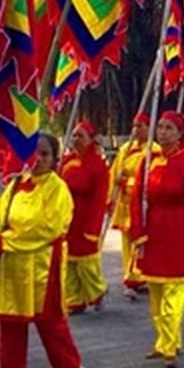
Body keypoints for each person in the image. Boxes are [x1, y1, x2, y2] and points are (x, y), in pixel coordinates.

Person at [0, 133, 82, 368]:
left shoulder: (58, 189)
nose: (39, 159)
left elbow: (46, 228)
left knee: (53, 329)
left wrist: (5, 242)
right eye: (34, 153)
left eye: (45, 154)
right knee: (11, 329)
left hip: (43, 268)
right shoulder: (15, 185)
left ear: (55, 158)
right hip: (12, 270)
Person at [129, 111, 184, 367]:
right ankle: (165, 341)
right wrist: (138, 231)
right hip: (153, 231)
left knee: (174, 292)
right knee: (155, 291)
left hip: (178, 230)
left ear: (179, 134)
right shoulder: (147, 162)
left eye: (168, 128)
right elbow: (137, 199)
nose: (162, 132)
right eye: (161, 127)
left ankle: (169, 346)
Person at [60, 121, 110, 313]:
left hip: (86, 216)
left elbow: (99, 198)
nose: (75, 139)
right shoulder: (65, 162)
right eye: (73, 135)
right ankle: (74, 300)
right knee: (69, 261)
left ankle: (97, 291)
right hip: (67, 217)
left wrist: (93, 227)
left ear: (90, 140)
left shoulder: (98, 166)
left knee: (86, 261)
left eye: (80, 135)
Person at [109, 112, 150, 298]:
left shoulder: (153, 150)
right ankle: (130, 273)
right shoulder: (125, 149)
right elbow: (114, 173)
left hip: (140, 203)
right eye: (134, 125)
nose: (136, 129)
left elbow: (149, 179)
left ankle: (136, 276)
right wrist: (112, 194)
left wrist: (129, 183)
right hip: (124, 202)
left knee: (138, 240)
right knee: (126, 241)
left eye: (140, 126)